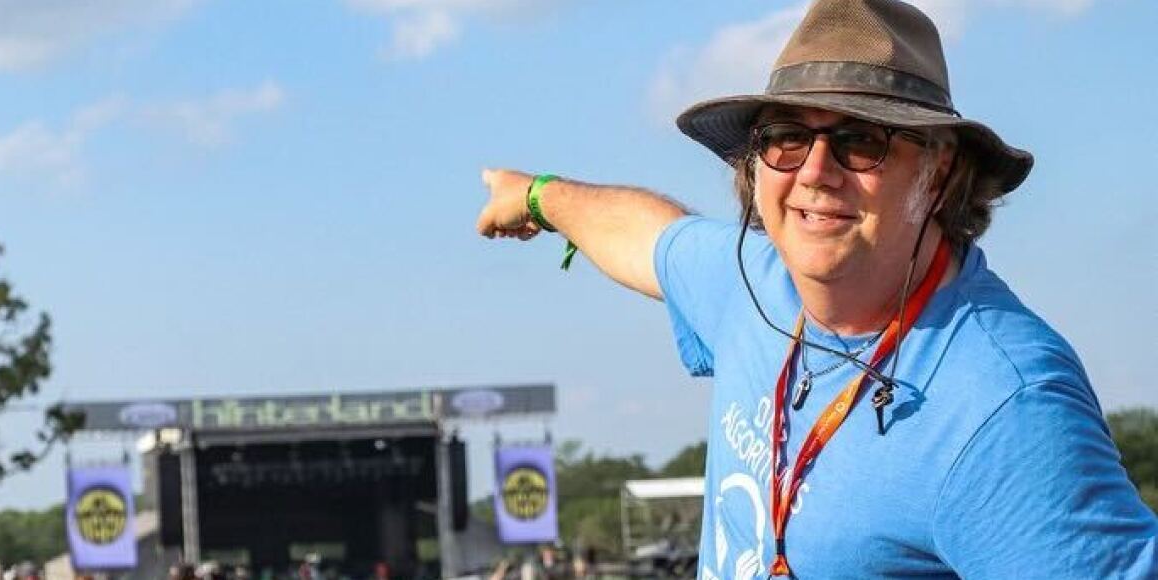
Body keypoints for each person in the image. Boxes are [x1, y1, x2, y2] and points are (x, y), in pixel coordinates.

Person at [473, 0, 1156, 577]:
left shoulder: (1005, 408)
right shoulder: (759, 282)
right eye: (787, 137)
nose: (816, 171)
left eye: (862, 142)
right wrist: (536, 196)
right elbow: (650, 238)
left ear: (940, 171)